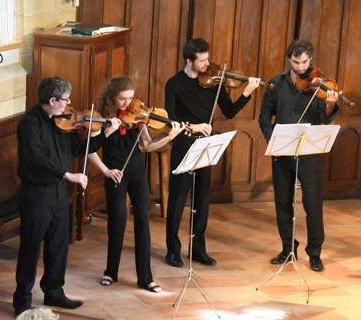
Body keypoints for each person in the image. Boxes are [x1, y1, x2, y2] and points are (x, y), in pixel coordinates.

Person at [13, 76, 120, 315]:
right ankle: (22, 299)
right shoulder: (30, 124)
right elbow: (35, 159)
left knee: (58, 245)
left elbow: (79, 149)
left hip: (59, 193)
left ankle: (54, 292)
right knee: (30, 246)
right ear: (52, 100)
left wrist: (105, 135)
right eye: (65, 100)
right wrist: (67, 174)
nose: (69, 104)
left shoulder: (63, 122)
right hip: (36, 193)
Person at [164, 38, 260, 267]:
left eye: (208, 58)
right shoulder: (174, 83)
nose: (208, 63)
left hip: (206, 144)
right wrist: (193, 126)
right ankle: (173, 251)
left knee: (202, 199)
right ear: (189, 61)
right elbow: (169, 118)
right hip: (184, 144)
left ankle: (198, 250)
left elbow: (229, 111)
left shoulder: (213, 82)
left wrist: (247, 92)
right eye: (203, 60)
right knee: (177, 200)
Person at [88, 75, 184, 292]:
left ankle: (146, 278)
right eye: (122, 99)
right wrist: (105, 169)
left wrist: (171, 136)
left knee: (143, 223)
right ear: (112, 97)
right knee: (118, 222)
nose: (127, 104)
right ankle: (110, 272)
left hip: (138, 174)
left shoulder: (137, 117)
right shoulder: (101, 118)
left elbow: (148, 146)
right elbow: (90, 150)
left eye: (130, 98)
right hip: (115, 175)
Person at [259, 39, 339, 272]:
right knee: (283, 202)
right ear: (289, 59)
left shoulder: (319, 86)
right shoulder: (275, 83)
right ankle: (287, 248)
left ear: (310, 59)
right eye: (296, 62)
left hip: (309, 152)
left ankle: (315, 253)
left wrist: (329, 106)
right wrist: (273, 141)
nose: (301, 67)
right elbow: (265, 117)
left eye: (305, 62)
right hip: (282, 150)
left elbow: (324, 119)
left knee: (313, 203)